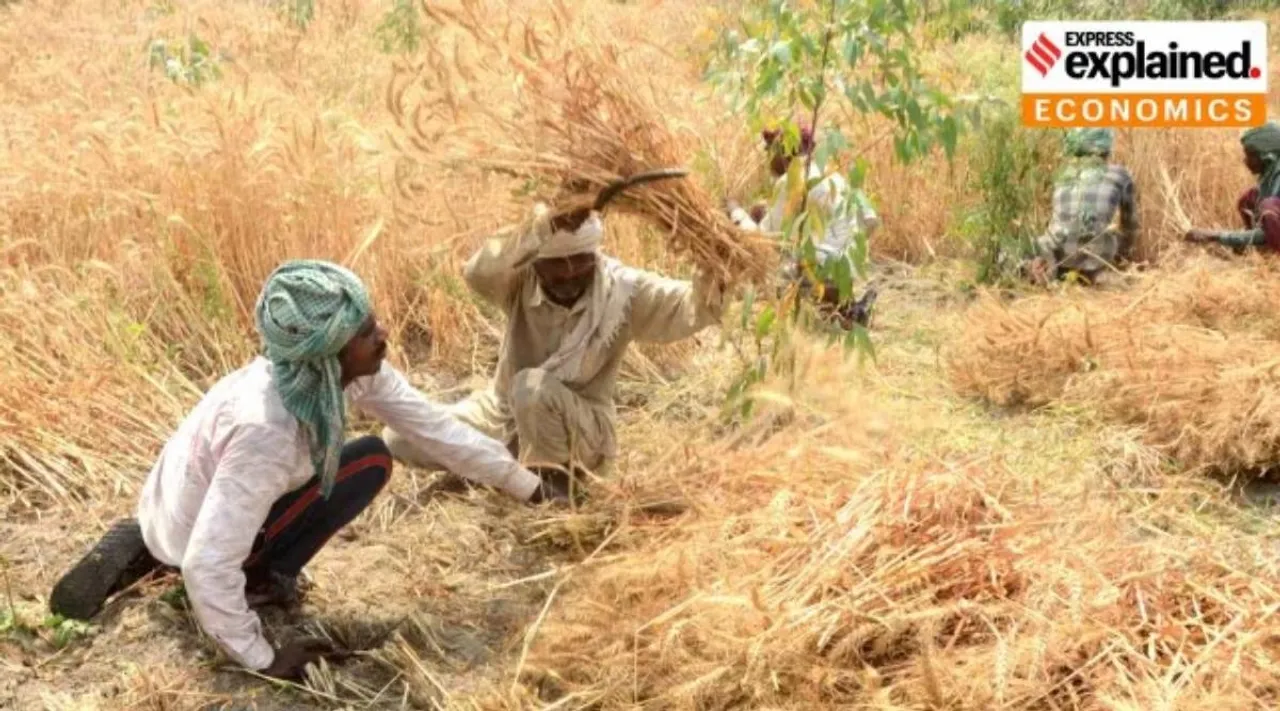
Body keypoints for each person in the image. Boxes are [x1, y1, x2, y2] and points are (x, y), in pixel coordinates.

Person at [48, 260, 560, 682]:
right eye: (365, 331)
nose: (382, 334)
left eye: (371, 320)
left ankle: (170, 548)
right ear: (327, 355)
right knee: (352, 471)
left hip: (189, 502)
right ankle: (251, 576)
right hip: (195, 536)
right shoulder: (266, 430)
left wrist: (531, 488)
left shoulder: (336, 376)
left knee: (370, 461)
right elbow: (207, 564)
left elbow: (439, 432)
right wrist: (263, 657)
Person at [383, 203, 726, 494]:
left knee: (531, 390)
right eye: (556, 264)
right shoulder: (517, 283)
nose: (569, 273)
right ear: (533, 262)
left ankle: (551, 490)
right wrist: (540, 227)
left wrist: (717, 260)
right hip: (502, 416)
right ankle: (504, 465)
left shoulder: (621, 292)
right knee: (398, 437)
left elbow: (692, 307)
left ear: (595, 253)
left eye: (579, 259)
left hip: (582, 431)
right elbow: (477, 273)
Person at [727, 125, 880, 328]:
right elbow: (871, 220)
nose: (768, 161)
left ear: (781, 153)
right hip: (845, 272)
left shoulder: (789, 181)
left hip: (816, 274)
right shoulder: (833, 175)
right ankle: (845, 310)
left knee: (767, 270)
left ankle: (832, 311)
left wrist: (735, 213)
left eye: (769, 153)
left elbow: (762, 240)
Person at [1027, 127, 1138, 285]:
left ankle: (1049, 274)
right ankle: (1096, 275)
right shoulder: (1120, 174)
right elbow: (1130, 226)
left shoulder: (1062, 174)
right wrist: (1124, 255)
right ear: (1106, 149)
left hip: (1057, 257)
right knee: (1112, 234)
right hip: (1097, 259)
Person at [1185, 121, 1280, 253]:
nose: (1245, 160)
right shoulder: (1271, 174)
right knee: (1249, 199)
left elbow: (1266, 233)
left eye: (1251, 155)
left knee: (1269, 207)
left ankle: (1273, 254)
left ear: (1266, 156)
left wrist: (1216, 236)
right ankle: (1258, 250)